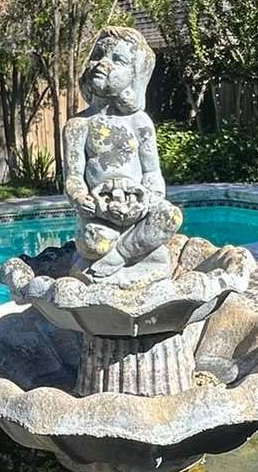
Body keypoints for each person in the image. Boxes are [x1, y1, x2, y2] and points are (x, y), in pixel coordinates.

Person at [61, 26, 182, 282]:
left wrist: (151, 198)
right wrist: (80, 198)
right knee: (93, 242)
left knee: (170, 216)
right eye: (98, 55)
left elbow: (152, 173)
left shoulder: (140, 123)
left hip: (138, 211)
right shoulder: (78, 125)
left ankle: (120, 256)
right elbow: (72, 177)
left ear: (135, 76)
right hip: (100, 214)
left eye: (118, 60)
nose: (102, 64)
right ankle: (131, 249)